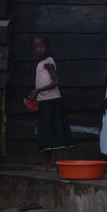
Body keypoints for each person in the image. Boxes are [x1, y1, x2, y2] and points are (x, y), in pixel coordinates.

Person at [28, 36, 73, 171]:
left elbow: (55, 82)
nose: (39, 50)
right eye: (36, 47)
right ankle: (48, 162)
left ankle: (53, 163)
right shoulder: (41, 63)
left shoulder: (48, 62)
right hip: (45, 102)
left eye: (41, 46)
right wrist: (36, 96)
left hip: (52, 102)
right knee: (46, 132)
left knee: (51, 131)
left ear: (48, 47)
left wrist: (38, 90)